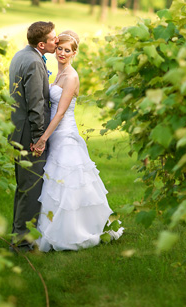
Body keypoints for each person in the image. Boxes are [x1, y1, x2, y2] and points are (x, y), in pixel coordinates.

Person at [32, 30, 124, 252]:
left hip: (64, 134)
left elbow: (61, 112)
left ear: (74, 53)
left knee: (68, 183)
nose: (62, 53)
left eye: (67, 50)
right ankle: (52, 226)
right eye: (60, 48)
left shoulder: (71, 76)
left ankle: (73, 231)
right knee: (56, 183)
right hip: (55, 133)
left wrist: (43, 138)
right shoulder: (58, 73)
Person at [8, 21, 58, 249]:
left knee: (23, 187)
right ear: (42, 43)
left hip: (17, 131)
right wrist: (40, 138)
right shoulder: (35, 63)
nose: (56, 41)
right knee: (31, 189)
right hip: (29, 133)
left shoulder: (21, 55)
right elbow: (36, 104)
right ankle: (23, 243)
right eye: (53, 39)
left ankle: (17, 235)